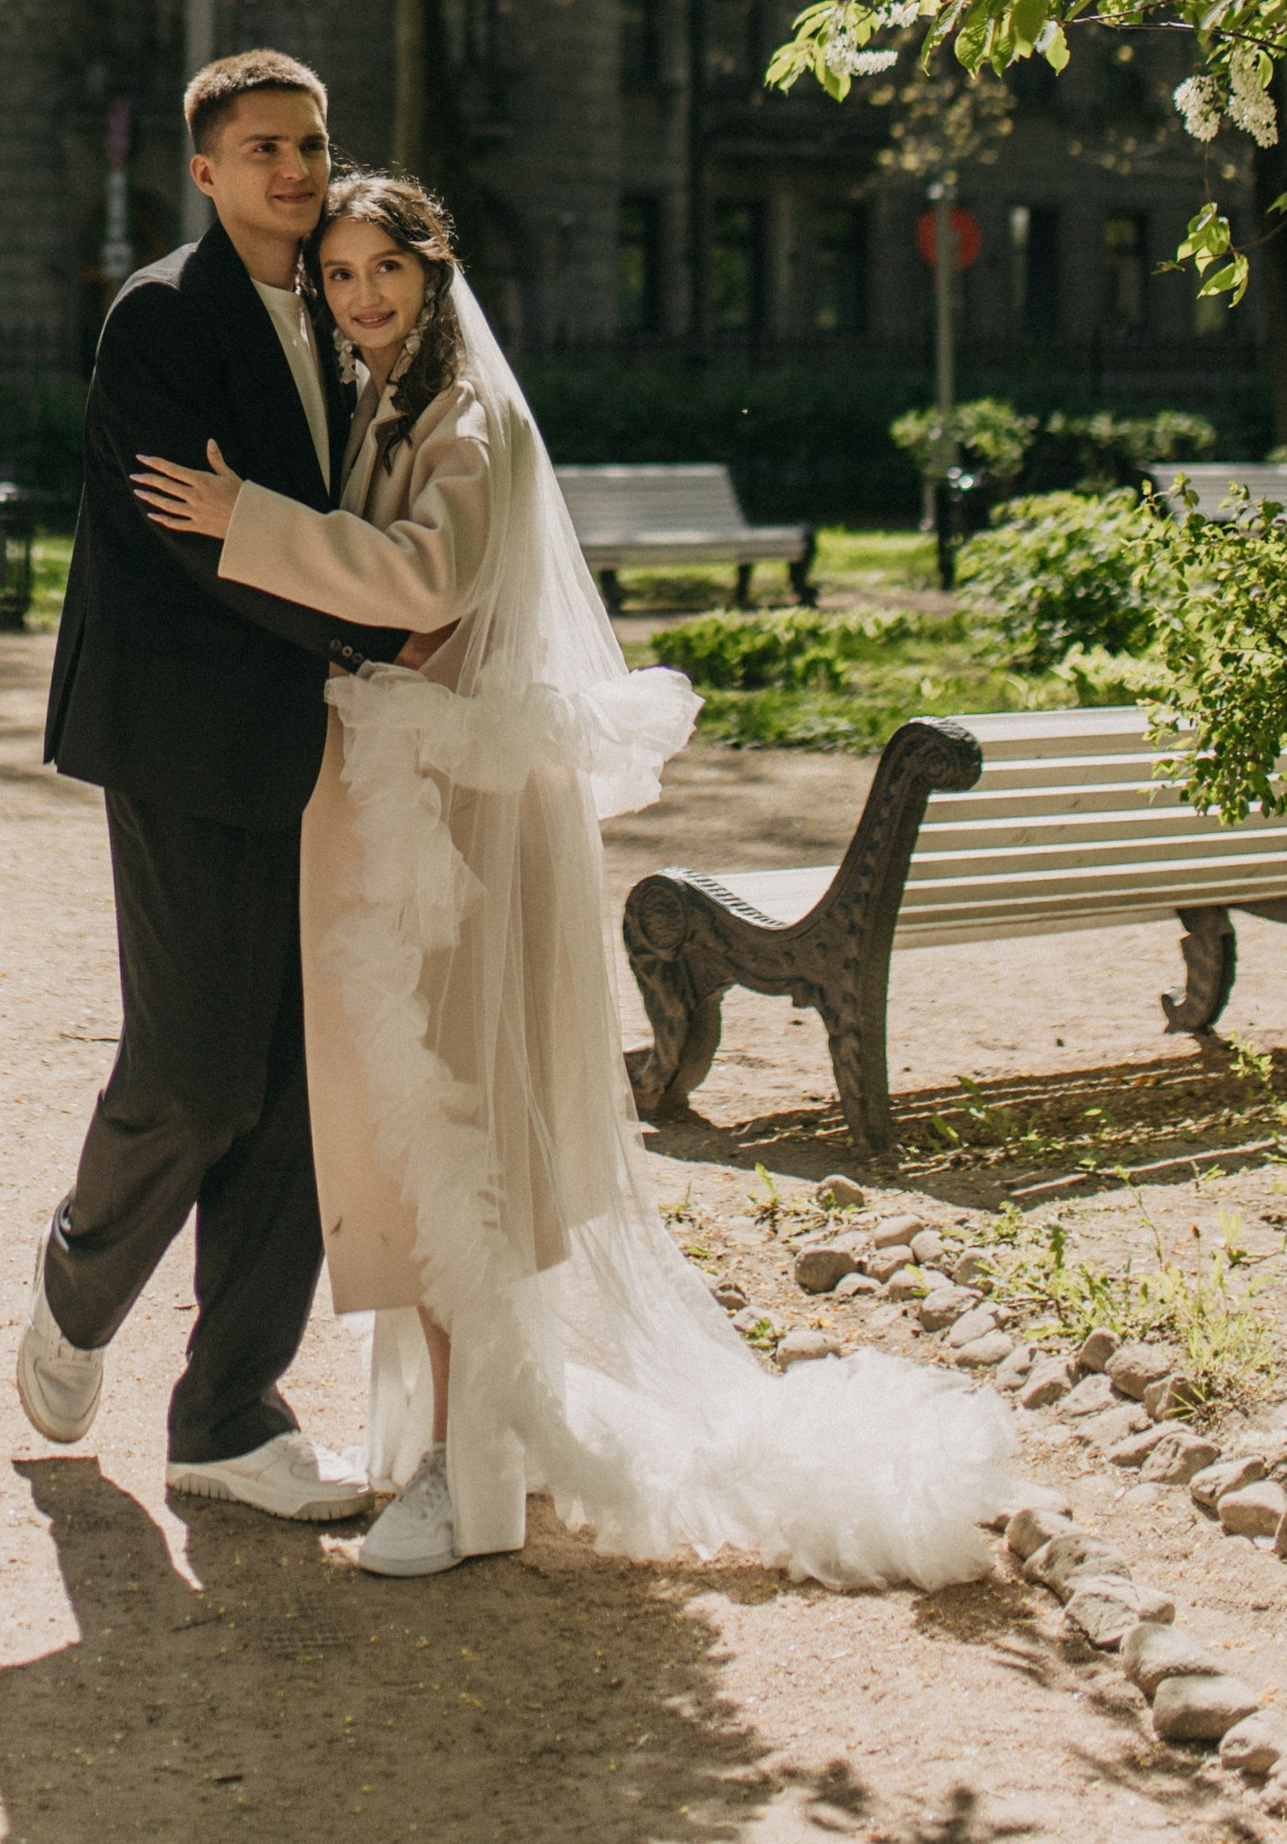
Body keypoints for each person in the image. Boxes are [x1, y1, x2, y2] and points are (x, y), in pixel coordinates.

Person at [132, 173, 1014, 1587]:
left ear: (434, 273)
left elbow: (426, 579)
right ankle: (448, 1445)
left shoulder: (471, 419)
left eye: (385, 274)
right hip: (406, 803)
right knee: (412, 1126)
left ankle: (469, 1481)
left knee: (459, 1128)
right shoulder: (390, 403)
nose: (360, 299)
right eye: (342, 276)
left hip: (461, 826)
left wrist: (248, 518)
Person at [18, 50, 405, 1518]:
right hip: (183, 736)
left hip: (340, 746)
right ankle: (80, 1271)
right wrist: (377, 615)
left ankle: (229, 1412)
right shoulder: (161, 319)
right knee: (195, 1067)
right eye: (263, 149)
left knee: (308, 1088)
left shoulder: (359, 300)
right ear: (205, 168)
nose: (297, 170)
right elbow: (189, 533)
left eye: (310, 142)